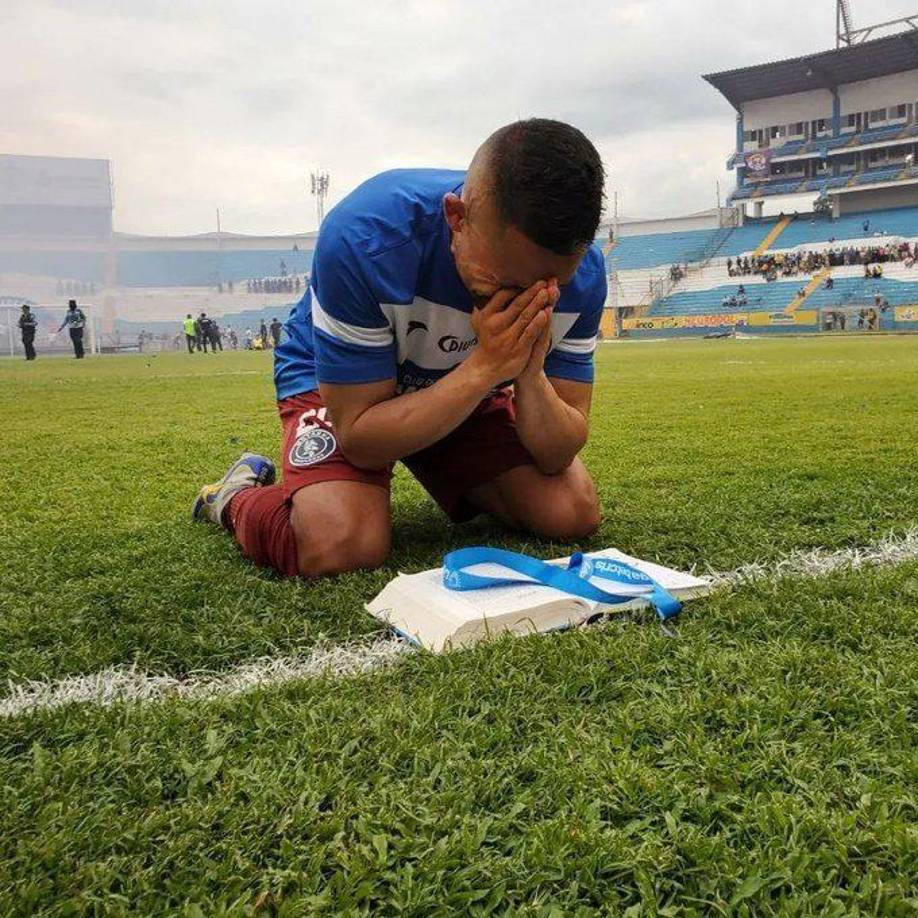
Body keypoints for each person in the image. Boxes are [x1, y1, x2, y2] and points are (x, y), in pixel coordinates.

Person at [193, 118, 606, 580]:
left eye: (550, 285)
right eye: (505, 281)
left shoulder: (584, 277)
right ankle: (233, 497)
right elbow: (362, 439)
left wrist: (528, 370)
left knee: (569, 512)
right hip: (347, 385)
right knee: (340, 544)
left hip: (466, 379)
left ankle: (454, 466)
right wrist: (486, 367)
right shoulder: (365, 236)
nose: (524, 300)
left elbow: (557, 453)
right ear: (457, 218)